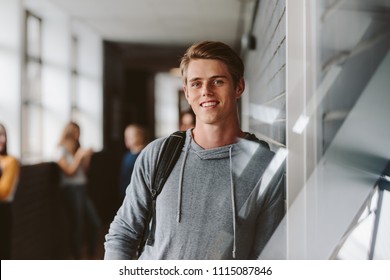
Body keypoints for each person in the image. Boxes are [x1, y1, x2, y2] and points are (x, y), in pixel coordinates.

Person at [104, 41, 285, 260]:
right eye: (196, 84)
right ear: (187, 92)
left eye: (217, 81)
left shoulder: (266, 167)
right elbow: (123, 232)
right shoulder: (158, 154)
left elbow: (268, 258)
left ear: (239, 87)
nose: (206, 92)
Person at [56, 121, 102, 259]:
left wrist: (87, 158)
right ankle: (77, 258)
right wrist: (79, 156)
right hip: (71, 190)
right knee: (77, 224)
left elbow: (84, 172)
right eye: (75, 132)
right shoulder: (60, 150)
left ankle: (92, 255)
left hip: (82, 188)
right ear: (69, 133)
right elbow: (69, 171)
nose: (78, 136)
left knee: (95, 223)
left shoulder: (77, 148)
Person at [0, 123, 20, 259]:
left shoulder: (11, 161)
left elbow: (4, 191)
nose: (1, 139)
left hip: (3, 212)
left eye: (3, 135)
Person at [119, 124, 149, 201]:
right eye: (126, 136)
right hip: (127, 193)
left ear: (141, 137)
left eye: (131, 136)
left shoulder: (146, 154)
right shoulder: (127, 155)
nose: (127, 139)